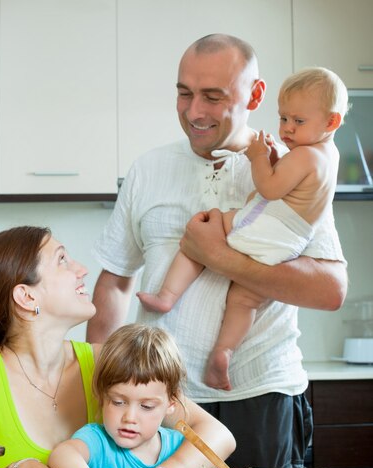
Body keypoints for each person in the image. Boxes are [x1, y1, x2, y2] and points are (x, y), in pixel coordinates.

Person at [87, 34, 348, 468]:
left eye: (213, 96)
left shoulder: (292, 167)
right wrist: (98, 383)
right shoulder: (148, 169)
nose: (194, 112)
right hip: (157, 400)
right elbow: (115, 280)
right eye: (184, 94)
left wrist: (220, 257)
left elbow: (330, 290)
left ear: (255, 93)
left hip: (259, 396)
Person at [0, 226, 235, 468]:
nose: (81, 270)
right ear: (26, 296)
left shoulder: (101, 360)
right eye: (63, 260)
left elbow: (217, 437)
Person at [137, 67, 348, 391]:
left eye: (298, 121)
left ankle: (167, 296)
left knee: (205, 228)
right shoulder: (327, 156)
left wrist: (259, 156)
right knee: (245, 299)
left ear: (331, 122)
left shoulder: (305, 155)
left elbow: (270, 187)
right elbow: (296, 187)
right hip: (286, 245)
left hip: (265, 226)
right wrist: (277, 156)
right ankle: (224, 352)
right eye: (283, 119)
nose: (287, 129)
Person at [48, 324, 212, 468]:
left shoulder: (181, 446)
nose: (130, 417)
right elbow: (62, 454)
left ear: (171, 403)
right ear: (102, 395)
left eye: (146, 406)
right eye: (118, 402)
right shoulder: (97, 441)